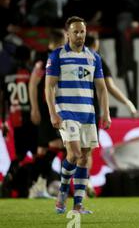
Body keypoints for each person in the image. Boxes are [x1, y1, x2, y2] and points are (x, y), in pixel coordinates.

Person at [45, 16, 111, 214]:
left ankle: (78, 205)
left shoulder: (93, 57)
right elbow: (49, 86)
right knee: (73, 154)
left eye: (82, 31)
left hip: (88, 114)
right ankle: (63, 190)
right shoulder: (57, 56)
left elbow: (102, 88)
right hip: (66, 112)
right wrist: (52, 113)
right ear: (68, 34)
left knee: (84, 158)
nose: (79, 35)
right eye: (75, 31)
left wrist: (105, 112)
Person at [84, 32, 137, 197]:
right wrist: (128, 102)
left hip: (70, 108)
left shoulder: (67, 58)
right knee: (87, 150)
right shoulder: (96, 59)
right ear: (96, 43)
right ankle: (85, 182)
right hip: (90, 111)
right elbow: (109, 87)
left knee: (74, 150)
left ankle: (75, 183)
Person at [29, 28, 66, 199]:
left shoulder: (63, 57)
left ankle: (39, 184)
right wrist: (35, 108)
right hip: (46, 111)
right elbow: (32, 84)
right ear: (59, 40)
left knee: (43, 150)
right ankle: (41, 184)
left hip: (58, 109)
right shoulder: (44, 59)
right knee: (58, 144)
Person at [0, 45, 38, 197]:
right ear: (28, 57)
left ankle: (8, 181)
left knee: (20, 155)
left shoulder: (7, 75)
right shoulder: (31, 73)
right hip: (31, 119)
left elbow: (2, 99)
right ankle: (33, 185)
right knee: (37, 154)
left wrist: (3, 121)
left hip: (16, 121)